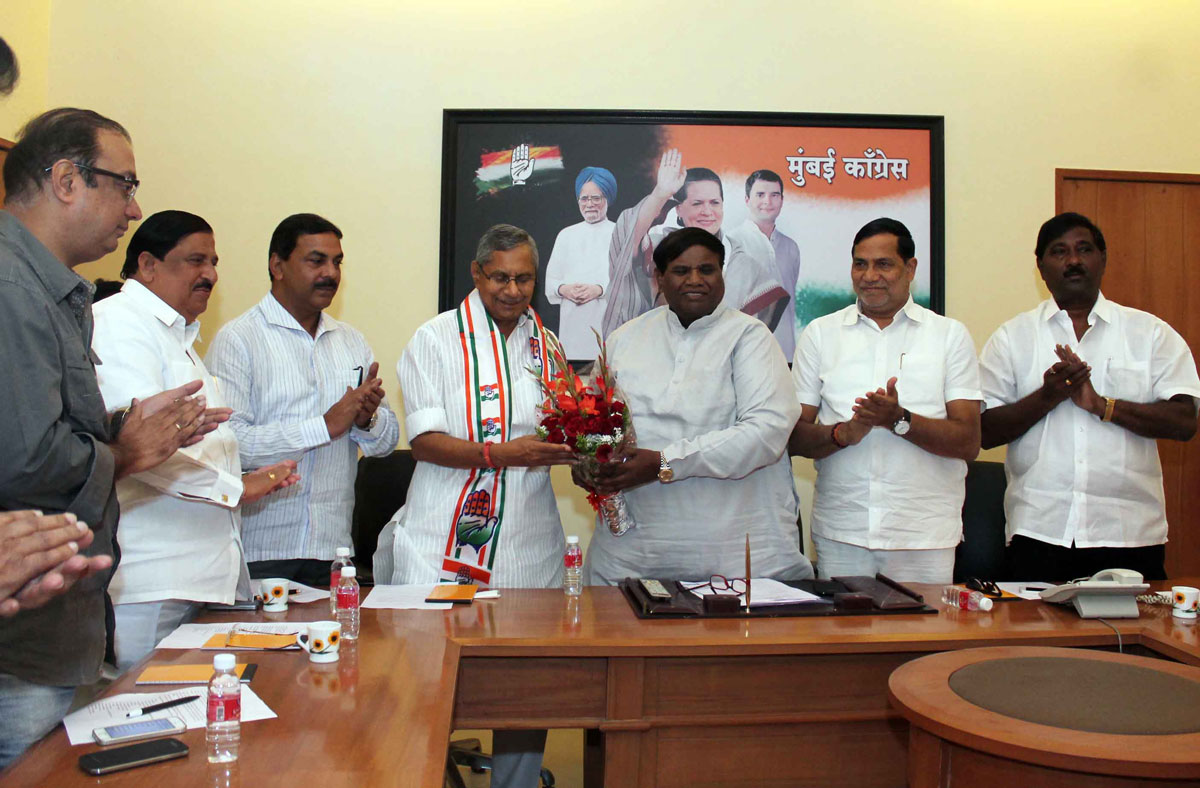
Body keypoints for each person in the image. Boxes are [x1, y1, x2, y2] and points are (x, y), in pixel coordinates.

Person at [0, 107, 218, 767]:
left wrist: (124, 430)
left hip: (56, 626)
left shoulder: (53, 291)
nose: (133, 208)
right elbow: (24, 461)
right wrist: (124, 452)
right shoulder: (13, 285)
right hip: (24, 640)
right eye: (123, 185)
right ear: (68, 179)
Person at [374, 224, 573, 788]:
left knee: (526, 689)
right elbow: (425, 443)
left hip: (529, 542)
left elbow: (562, 429)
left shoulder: (547, 346)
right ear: (477, 274)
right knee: (427, 685)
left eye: (524, 278)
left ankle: (515, 782)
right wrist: (502, 453)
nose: (513, 290)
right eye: (500, 277)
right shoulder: (435, 339)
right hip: (442, 540)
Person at [92, 211, 300, 669]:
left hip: (194, 578)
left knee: (187, 724)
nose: (210, 274)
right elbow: (141, 447)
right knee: (137, 722)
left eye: (214, 262)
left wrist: (243, 477)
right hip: (149, 581)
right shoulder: (118, 324)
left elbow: (190, 444)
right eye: (195, 261)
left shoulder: (178, 338)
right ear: (148, 265)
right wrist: (236, 488)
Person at [581, 227, 812, 585]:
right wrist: (587, 466)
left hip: (736, 556)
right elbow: (593, 427)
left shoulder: (750, 338)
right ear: (659, 277)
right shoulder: (624, 340)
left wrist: (663, 462)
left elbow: (764, 434)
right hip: (634, 557)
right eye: (680, 270)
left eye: (707, 270)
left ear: (722, 275)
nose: (696, 280)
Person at [979, 212, 1200, 582]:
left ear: (1103, 258)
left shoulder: (1151, 334)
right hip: (1039, 532)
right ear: (1041, 267)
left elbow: (1185, 421)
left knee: (1129, 641)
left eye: (1084, 249)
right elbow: (984, 432)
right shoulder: (1011, 338)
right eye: (1059, 252)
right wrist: (1048, 397)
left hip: (1129, 534)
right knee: (1038, 641)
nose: (1074, 260)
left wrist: (1103, 406)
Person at [206, 214, 398, 587]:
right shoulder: (239, 340)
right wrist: (323, 426)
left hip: (333, 550)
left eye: (337, 262)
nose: (331, 273)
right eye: (316, 261)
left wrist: (366, 421)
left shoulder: (351, 341)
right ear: (277, 265)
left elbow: (385, 446)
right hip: (261, 552)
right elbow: (230, 446)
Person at [790, 218, 980, 584]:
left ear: (910, 269)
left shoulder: (948, 337)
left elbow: (969, 440)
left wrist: (899, 419)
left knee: (924, 642)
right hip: (842, 534)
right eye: (860, 264)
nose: (869, 275)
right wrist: (845, 432)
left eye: (883, 264)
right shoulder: (820, 335)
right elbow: (793, 437)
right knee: (843, 642)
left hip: (923, 538)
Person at [602, 149, 786, 337]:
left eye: (714, 203)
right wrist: (660, 194)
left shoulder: (741, 262)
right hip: (656, 358)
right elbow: (626, 241)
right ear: (678, 209)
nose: (707, 211)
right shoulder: (659, 247)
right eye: (697, 203)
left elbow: (753, 336)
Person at [544, 166, 617, 359]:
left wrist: (599, 290)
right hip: (571, 333)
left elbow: (630, 283)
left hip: (608, 330)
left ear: (607, 199)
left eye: (596, 198)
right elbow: (550, 282)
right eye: (584, 198)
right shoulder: (566, 235)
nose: (590, 204)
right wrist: (564, 289)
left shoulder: (620, 233)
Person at [743, 169, 801, 359]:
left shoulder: (791, 247)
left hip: (785, 353)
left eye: (774, 195)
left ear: (782, 201)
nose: (768, 201)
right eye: (760, 195)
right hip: (744, 353)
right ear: (747, 200)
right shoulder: (732, 242)